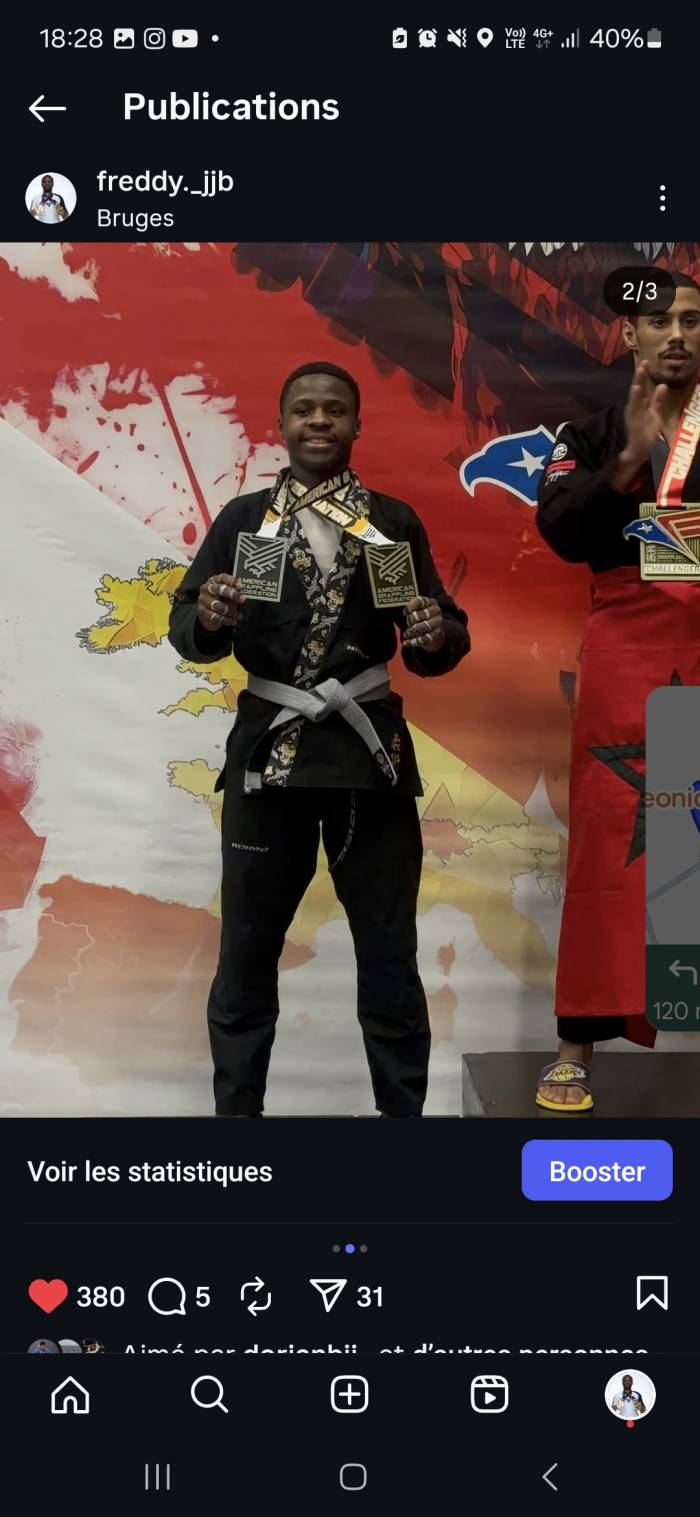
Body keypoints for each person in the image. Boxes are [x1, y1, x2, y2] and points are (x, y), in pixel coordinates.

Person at [168, 361, 469, 1116]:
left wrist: (433, 634)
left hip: (369, 762)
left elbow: (437, 633)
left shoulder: (391, 523)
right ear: (281, 424)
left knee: (391, 956)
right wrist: (209, 617)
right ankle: (238, 1125)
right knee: (246, 955)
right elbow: (187, 626)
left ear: (357, 425)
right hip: (270, 761)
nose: (319, 420)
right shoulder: (245, 522)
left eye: (335, 409)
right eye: (304, 409)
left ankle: (403, 1125)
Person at [535, 273, 700, 1111]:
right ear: (629, 335)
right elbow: (560, 528)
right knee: (614, 840)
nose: (677, 334)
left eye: (693, 321)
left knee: (694, 842)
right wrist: (630, 460)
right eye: (658, 320)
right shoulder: (590, 433)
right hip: (626, 648)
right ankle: (577, 1044)